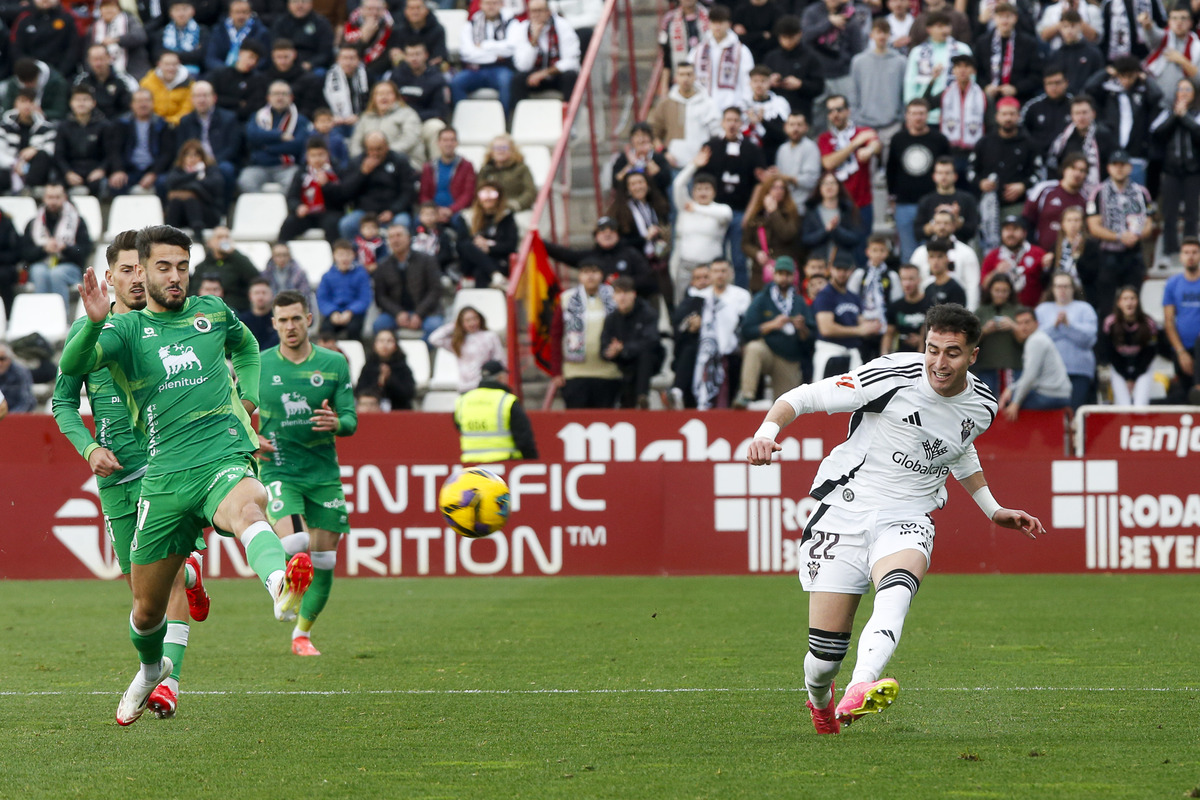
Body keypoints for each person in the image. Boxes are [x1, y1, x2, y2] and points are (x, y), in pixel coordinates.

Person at [746, 303, 1044, 735]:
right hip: (845, 510)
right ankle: (821, 699)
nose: (940, 363)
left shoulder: (983, 404)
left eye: (953, 353)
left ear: (973, 356)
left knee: (896, 590)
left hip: (908, 515)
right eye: (932, 349)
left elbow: (958, 448)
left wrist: (993, 508)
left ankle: (862, 684)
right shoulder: (890, 375)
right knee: (823, 658)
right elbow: (803, 396)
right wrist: (765, 434)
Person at [62, 225, 313, 725]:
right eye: (152, 268)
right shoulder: (121, 331)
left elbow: (246, 347)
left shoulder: (212, 313)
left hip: (219, 457)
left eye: (181, 267)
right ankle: (151, 670)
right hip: (155, 478)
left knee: (248, 506)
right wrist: (90, 327)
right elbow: (72, 370)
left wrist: (249, 400)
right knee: (144, 607)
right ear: (117, 275)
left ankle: (279, 584)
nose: (169, 277)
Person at [51, 232, 211, 717]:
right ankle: (159, 656)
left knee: (172, 581)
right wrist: (89, 446)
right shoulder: (91, 334)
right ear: (111, 277)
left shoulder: (165, 326)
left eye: (142, 270)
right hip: (115, 481)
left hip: (165, 470)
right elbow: (60, 401)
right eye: (127, 271)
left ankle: (170, 683)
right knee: (144, 599)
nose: (138, 280)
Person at [256, 288, 357, 657]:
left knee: (325, 559)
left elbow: (351, 419)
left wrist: (337, 422)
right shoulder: (260, 363)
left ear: (309, 319)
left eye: (296, 318)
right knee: (297, 545)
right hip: (278, 467)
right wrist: (250, 437)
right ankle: (283, 592)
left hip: (323, 473)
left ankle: (302, 634)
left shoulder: (334, 363)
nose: (290, 326)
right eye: (282, 320)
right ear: (274, 324)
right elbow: (231, 409)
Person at [1084, 150, 1155, 316]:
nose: (1119, 169)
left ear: (1130, 167)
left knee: (1134, 300)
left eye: (1123, 165)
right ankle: (1108, 336)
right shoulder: (1098, 192)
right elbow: (1093, 226)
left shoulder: (1141, 192)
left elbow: (1149, 223)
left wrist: (1136, 236)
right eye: (1115, 165)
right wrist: (1119, 236)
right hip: (1108, 254)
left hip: (1134, 253)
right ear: (1108, 168)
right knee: (1107, 303)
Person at [548, 260, 623, 408]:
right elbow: (556, 336)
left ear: (602, 275)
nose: (590, 276)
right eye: (585, 272)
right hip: (575, 374)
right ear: (580, 276)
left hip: (609, 373)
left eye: (594, 271)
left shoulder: (616, 297)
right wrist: (556, 371)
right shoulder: (567, 298)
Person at [735, 255, 808, 406]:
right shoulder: (762, 298)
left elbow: (810, 339)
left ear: (793, 276)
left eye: (787, 274)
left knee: (788, 404)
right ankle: (746, 394)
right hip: (767, 348)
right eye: (780, 274)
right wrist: (772, 325)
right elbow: (747, 330)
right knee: (754, 348)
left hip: (789, 355)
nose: (783, 278)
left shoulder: (799, 301)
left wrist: (802, 329)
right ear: (774, 275)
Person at [969, 97, 1042, 244]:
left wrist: (1023, 186)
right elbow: (971, 171)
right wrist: (981, 183)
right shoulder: (984, 142)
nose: (1008, 118)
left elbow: (1039, 174)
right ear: (997, 117)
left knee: (1016, 242)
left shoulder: (1029, 144)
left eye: (1011, 114)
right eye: (1004, 114)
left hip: (1017, 205)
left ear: (1018, 116)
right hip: (988, 204)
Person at [887, 100, 951, 262]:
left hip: (932, 204)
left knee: (931, 252)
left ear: (927, 115)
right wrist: (892, 198)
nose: (918, 117)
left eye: (921, 113)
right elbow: (891, 170)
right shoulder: (898, 139)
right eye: (914, 113)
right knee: (908, 253)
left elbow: (947, 170)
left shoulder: (939, 139)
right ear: (907, 116)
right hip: (904, 204)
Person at [1084, 57, 1162, 186]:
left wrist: (1145, 78)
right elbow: (1090, 87)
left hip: (1135, 152)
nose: (1126, 81)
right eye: (1122, 76)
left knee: (1136, 190)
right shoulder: (1109, 91)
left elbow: (1157, 95)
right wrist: (1106, 72)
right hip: (1110, 151)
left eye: (1130, 76)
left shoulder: (1142, 92)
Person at [817, 95, 880, 256]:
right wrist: (854, 145)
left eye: (839, 109)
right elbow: (829, 163)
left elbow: (875, 143)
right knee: (837, 254)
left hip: (862, 203)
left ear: (848, 111)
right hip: (837, 206)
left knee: (861, 253)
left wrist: (869, 149)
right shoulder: (825, 138)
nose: (835, 114)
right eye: (831, 111)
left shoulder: (861, 131)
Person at [1150, 78, 1200, 264]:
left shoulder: (1196, 114)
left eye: (1188, 89)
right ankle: (1170, 250)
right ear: (1176, 93)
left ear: (1194, 93)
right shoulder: (1167, 112)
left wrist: (1185, 117)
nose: (1185, 92)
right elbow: (1157, 132)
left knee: (1192, 213)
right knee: (1169, 212)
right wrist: (1175, 116)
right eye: (1181, 89)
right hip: (1171, 171)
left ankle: (1191, 249)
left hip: (1193, 171)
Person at [670, 151, 733, 300]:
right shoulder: (685, 206)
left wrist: (697, 208)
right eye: (698, 189)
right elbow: (678, 184)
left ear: (714, 192)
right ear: (693, 192)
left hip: (711, 266)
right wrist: (693, 165)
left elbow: (726, 215)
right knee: (682, 302)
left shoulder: (720, 209)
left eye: (707, 189)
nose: (702, 192)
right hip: (687, 265)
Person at [22, 183, 92, 312]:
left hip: (69, 266)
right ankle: (41, 317)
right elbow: (24, 252)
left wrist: (65, 248)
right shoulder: (33, 223)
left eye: (57, 197)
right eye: (50, 197)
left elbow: (85, 250)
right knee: (39, 272)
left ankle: (61, 318)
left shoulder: (77, 221)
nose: (53, 201)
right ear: (44, 198)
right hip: (41, 264)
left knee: (57, 274)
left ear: (64, 197)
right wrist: (43, 249)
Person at [693, 258, 752, 408]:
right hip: (703, 349)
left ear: (731, 273)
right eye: (716, 271)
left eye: (723, 271)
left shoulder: (741, 295)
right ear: (710, 274)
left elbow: (745, 325)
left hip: (732, 349)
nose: (720, 275)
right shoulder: (700, 296)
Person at [338, 130, 418, 240]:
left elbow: (408, 191)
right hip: (365, 212)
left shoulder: (400, 161)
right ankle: (357, 255)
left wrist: (393, 211)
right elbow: (345, 193)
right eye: (371, 149)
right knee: (347, 225)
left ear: (387, 147)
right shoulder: (357, 163)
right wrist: (362, 173)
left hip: (394, 211)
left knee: (402, 224)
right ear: (365, 149)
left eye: (379, 149)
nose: (375, 153)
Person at [600, 276, 666, 409]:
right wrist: (611, 351)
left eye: (625, 293)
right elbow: (603, 345)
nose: (622, 297)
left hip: (649, 362)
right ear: (613, 296)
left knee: (645, 355)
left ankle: (642, 396)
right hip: (623, 363)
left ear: (633, 294)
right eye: (618, 293)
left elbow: (652, 340)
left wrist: (624, 348)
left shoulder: (647, 313)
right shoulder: (611, 319)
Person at [455, 359, 538, 462]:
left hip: (471, 464)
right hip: (504, 463)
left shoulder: (464, 400)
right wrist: (532, 461)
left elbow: (458, 425)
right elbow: (524, 437)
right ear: (501, 377)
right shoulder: (507, 401)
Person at [1035, 271, 1098, 409]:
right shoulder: (1041, 310)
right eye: (1058, 286)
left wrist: (1069, 326)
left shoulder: (1085, 309)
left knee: (1075, 410)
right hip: (1049, 372)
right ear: (1053, 288)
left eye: (1066, 286)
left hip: (1078, 371)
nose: (1062, 290)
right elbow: (1036, 340)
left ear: (1073, 288)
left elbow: (1089, 340)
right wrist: (1055, 326)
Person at [812, 253, 878, 381]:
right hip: (830, 351)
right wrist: (859, 330)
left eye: (845, 270)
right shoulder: (825, 295)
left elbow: (860, 323)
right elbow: (826, 329)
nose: (842, 274)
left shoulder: (853, 296)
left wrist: (870, 326)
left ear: (851, 271)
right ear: (831, 269)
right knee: (825, 396)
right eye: (838, 269)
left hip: (852, 352)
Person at [371, 224, 444, 339]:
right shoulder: (383, 265)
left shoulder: (427, 260)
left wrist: (419, 314)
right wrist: (398, 313)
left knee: (435, 328)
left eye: (399, 235)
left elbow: (435, 290)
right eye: (391, 237)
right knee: (379, 325)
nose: (395, 240)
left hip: (427, 312)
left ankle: (420, 355)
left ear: (408, 238)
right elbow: (380, 296)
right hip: (395, 313)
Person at [999, 306, 1073, 417]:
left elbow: (1030, 377)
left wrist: (1015, 403)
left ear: (1036, 323)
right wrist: (1011, 388)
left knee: (1010, 403)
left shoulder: (1036, 341)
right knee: (1015, 394)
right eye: (1019, 323)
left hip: (1051, 395)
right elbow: (1032, 377)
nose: (1023, 327)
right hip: (1058, 394)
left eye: (1027, 322)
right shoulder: (1039, 338)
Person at [175, 81, 241, 204]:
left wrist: (209, 163)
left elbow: (232, 148)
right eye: (197, 96)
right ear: (192, 99)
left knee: (226, 170)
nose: (201, 100)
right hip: (192, 162)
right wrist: (192, 163)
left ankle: (223, 212)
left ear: (214, 98)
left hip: (218, 162)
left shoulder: (228, 118)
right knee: (167, 179)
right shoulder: (185, 121)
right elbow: (182, 148)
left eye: (205, 95)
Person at [239, 81, 311, 193]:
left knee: (294, 182)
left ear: (291, 97)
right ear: (268, 97)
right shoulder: (258, 116)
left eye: (284, 94)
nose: (280, 97)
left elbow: (298, 145)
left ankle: (283, 210)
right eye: (276, 94)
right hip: (259, 167)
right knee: (246, 181)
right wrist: (280, 136)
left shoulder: (299, 120)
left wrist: (266, 147)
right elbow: (252, 136)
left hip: (287, 168)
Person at [646, 62, 722, 169]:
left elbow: (717, 135)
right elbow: (653, 133)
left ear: (695, 76)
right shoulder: (666, 104)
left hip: (701, 166)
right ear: (676, 77)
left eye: (689, 74)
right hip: (673, 165)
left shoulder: (708, 104)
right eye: (681, 74)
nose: (685, 78)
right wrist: (663, 153)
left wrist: (706, 153)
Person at [384, 40, 450, 161]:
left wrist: (413, 117)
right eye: (410, 55)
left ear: (426, 55)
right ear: (405, 56)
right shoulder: (396, 75)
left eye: (417, 54)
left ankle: (435, 169)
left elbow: (440, 111)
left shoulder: (436, 78)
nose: (414, 58)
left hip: (423, 122)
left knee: (437, 126)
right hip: (400, 121)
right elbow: (389, 102)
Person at [902, 12, 971, 127]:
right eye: (939, 26)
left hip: (956, 112)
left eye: (947, 25)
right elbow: (910, 82)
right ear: (929, 29)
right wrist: (912, 108)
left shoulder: (962, 49)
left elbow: (971, 78)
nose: (944, 30)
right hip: (926, 115)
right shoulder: (918, 52)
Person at [850, 19, 907, 156]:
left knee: (890, 165)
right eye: (878, 32)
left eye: (885, 33)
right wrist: (856, 117)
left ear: (890, 35)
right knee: (866, 165)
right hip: (865, 122)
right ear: (871, 35)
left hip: (892, 123)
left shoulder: (901, 62)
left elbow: (904, 92)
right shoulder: (859, 61)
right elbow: (854, 92)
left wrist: (900, 117)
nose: (882, 36)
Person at [509, 0, 581, 106]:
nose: (536, 15)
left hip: (556, 75)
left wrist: (544, 73)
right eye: (533, 11)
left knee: (570, 76)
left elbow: (571, 61)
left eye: (540, 11)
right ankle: (521, 116)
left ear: (548, 11)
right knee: (517, 79)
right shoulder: (522, 29)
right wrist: (534, 40)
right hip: (534, 77)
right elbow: (522, 66)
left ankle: (569, 116)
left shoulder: (562, 25)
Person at [1100, 286, 1162, 406]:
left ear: (1138, 301)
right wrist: (1126, 376)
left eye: (1132, 298)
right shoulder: (1110, 323)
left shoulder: (1148, 323)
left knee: (1141, 404)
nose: (1129, 302)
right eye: (1125, 299)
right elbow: (1109, 352)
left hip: (1142, 368)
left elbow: (1150, 352)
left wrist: (1134, 376)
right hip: (1119, 368)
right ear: (1119, 302)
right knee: (1123, 405)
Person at [452, 0, 517, 113]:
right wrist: (495, 56)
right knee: (456, 82)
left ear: (501, 4)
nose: (491, 6)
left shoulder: (511, 22)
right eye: (487, 3)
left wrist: (483, 46)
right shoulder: (470, 24)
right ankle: (464, 118)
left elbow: (510, 48)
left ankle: (503, 120)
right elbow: (467, 53)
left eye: (494, 3)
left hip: (501, 68)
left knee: (506, 81)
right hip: (475, 69)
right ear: (481, 5)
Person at [972, 3, 1044, 105]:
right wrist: (985, 87)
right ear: (994, 18)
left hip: (1020, 99)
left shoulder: (1028, 43)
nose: (1004, 21)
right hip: (988, 100)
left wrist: (1016, 89)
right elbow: (976, 71)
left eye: (1008, 16)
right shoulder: (983, 42)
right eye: (1001, 16)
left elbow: (1036, 75)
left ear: (1015, 18)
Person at [688, 4, 755, 114]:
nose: (717, 27)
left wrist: (744, 105)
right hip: (703, 108)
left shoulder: (741, 51)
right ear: (709, 24)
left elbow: (747, 80)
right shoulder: (697, 51)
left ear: (729, 24)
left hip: (732, 108)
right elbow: (689, 76)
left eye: (721, 23)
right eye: (714, 22)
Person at [740, 175, 803, 292]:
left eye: (782, 188)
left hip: (784, 271)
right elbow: (745, 244)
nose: (778, 191)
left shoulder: (791, 213)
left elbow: (787, 235)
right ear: (766, 191)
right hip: (761, 273)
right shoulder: (756, 215)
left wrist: (774, 212)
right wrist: (756, 253)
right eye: (774, 187)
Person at [846, 236, 902, 361]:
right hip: (863, 324)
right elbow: (851, 299)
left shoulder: (891, 276)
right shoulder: (860, 274)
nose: (878, 254)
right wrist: (860, 320)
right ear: (868, 252)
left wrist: (888, 324)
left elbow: (896, 302)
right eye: (875, 250)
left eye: (882, 250)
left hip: (883, 326)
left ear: (887, 253)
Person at [279, 136, 343, 244]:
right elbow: (291, 197)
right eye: (313, 155)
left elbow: (343, 196)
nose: (317, 159)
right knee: (289, 224)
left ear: (327, 154)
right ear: (307, 156)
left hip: (329, 212)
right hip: (307, 214)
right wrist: (298, 207)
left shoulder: (337, 170)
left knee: (333, 224)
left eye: (320, 155)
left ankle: (335, 257)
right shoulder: (301, 172)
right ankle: (280, 255)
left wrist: (326, 186)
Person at [1047, 96, 1117, 194]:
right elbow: (1053, 165)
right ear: (1071, 116)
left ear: (1093, 114)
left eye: (1084, 112)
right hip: (1068, 192)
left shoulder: (1105, 136)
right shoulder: (1063, 139)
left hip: (1099, 192)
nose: (1081, 117)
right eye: (1077, 113)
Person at [761, 15, 824, 123]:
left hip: (801, 112)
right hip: (774, 115)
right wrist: (769, 82)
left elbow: (819, 87)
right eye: (783, 37)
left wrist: (800, 85)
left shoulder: (810, 57)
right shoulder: (771, 57)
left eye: (791, 37)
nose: (787, 41)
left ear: (799, 34)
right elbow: (758, 82)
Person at [431, 305, 507, 393]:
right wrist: (454, 325)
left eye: (475, 319)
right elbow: (434, 339)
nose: (472, 323)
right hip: (464, 387)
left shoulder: (490, 336)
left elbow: (500, 359)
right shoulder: (457, 341)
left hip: (484, 386)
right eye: (468, 320)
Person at [1023, 153, 1089, 250]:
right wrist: (1034, 250)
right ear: (1064, 169)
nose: (1077, 174)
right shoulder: (1045, 189)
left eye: (1082, 171)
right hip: (1041, 253)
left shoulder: (1085, 199)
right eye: (1073, 168)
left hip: (1070, 257)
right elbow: (1026, 220)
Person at [981, 216, 1049, 309]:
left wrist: (1040, 307)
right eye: (1007, 229)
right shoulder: (992, 256)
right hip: (1004, 312)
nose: (1010, 234)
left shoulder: (1038, 253)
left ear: (1024, 233)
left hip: (1032, 312)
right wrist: (996, 272)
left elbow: (1049, 285)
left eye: (1015, 229)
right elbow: (984, 286)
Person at [163, 139, 225, 240]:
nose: (192, 158)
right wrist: (194, 177)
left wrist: (189, 192)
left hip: (207, 215)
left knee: (191, 201)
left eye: (196, 155)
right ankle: (169, 236)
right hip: (183, 214)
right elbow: (170, 183)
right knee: (175, 202)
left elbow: (214, 187)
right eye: (188, 155)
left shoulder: (211, 170)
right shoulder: (178, 170)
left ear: (202, 157)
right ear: (182, 157)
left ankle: (198, 237)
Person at [669, 263, 711, 409]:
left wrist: (703, 323)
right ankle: (678, 393)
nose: (702, 281)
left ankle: (677, 390)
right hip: (691, 351)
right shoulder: (686, 303)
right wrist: (690, 325)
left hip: (716, 350)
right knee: (689, 350)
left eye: (706, 277)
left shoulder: (722, 298)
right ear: (692, 281)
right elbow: (677, 328)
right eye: (698, 278)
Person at [0, 88, 57, 195]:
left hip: (34, 171)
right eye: (23, 101)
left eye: (30, 102)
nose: (27, 105)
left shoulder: (46, 128)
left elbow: (52, 148)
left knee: (43, 155)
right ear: (16, 103)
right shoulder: (4, 127)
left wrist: (35, 149)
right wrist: (14, 164)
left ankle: (28, 189)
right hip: (10, 169)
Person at [1163, 237, 1200, 401]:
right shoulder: (1173, 283)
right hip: (1182, 348)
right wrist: (1180, 351)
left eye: (1194, 252)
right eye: (1186, 252)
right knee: (1187, 397)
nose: (1190, 256)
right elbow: (1169, 320)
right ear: (1180, 256)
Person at [973, 271, 1022, 394]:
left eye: (1004, 291)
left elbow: (1027, 340)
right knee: (988, 403)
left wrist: (1013, 326)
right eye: (997, 290)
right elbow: (970, 341)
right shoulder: (980, 311)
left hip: (1012, 366)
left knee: (1010, 406)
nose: (1000, 294)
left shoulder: (1018, 310)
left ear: (1010, 292)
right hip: (986, 366)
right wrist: (984, 330)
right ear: (990, 291)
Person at [914, 156, 979, 250]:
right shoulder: (926, 200)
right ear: (934, 176)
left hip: (960, 250)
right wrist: (938, 223)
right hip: (933, 250)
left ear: (955, 176)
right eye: (940, 173)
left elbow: (973, 230)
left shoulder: (967, 199)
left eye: (947, 173)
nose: (943, 177)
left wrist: (956, 221)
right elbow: (918, 232)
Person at [1141, 3, 1200, 101]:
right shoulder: (1163, 38)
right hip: (1156, 102)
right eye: (1174, 18)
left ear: (1191, 22)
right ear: (1168, 21)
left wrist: (1183, 61)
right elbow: (1152, 34)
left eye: (1183, 18)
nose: (1179, 22)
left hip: (1185, 105)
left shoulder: (1197, 46)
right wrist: (1148, 25)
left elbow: (1198, 81)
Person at [192, 227, 259, 312]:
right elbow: (193, 293)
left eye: (227, 237)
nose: (224, 240)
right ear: (210, 242)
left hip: (236, 311)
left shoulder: (239, 261)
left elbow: (255, 277)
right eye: (219, 237)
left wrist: (234, 252)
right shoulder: (202, 267)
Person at [801, 171, 862, 264]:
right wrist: (826, 230)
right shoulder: (811, 211)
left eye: (832, 183)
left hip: (842, 265)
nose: (829, 187)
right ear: (820, 188)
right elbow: (806, 239)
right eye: (825, 183)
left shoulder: (848, 210)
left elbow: (855, 238)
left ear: (839, 187)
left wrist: (836, 229)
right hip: (818, 264)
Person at [317, 239, 373, 340]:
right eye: (341, 254)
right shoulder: (327, 276)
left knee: (354, 329)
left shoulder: (361, 275)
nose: (344, 258)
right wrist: (332, 312)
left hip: (354, 314)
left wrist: (350, 311)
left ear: (353, 255)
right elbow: (323, 299)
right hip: (334, 313)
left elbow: (364, 298)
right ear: (334, 256)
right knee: (325, 330)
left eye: (348, 254)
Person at [419, 127, 477, 224]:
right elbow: (424, 194)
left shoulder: (467, 166)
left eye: (452, 140)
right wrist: (434, 211)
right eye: (445, 140)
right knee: (418, 221)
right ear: (438, 143)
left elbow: (468, 194)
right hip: (432, 212)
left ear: (457, 143)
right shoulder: (429, 167)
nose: (448, 144)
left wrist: (451, 210)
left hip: (457, 212)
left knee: (459, 222)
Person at [210, 39, 270, 122]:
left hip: (244, 122)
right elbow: (213, 99)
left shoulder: (259, 80)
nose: (252, 62)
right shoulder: (220, 74)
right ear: (240, 53)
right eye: (251, 56)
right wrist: (237, 102)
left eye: (256, 60)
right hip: (218, 120)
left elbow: (254, 106)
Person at [204, 0, 271, 75]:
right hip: (222, 74)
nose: (241, 16)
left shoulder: (260, 32)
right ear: (230, 13)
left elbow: (264, 60)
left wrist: (246, 68)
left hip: (250, 75)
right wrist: (228, 71)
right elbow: (211, 58)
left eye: (245, 12)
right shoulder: (218, 30)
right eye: (237, 12)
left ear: (250, 13)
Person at [1044, 10, 1105, 93]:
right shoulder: (1055, 55)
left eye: (1073, 26)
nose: (1069, 30)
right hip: (1063, 101)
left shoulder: (1093, 53)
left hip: (1087, 100)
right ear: (1060, 28)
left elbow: (1099, 80)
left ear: (1080, 26)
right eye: (1065, 26)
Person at [658, 0, 711, 92]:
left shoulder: (710, 16)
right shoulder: (669, 19)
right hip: (681, 79)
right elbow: (666, 56)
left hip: (707, 80)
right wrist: (664, 86)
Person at [91, 0, 150, 82]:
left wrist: (117, 40)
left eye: (111, 7)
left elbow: (140, 36)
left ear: (119, 8)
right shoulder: (94, 28)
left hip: (132, 70)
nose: (108, 10)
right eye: (105, 7)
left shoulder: (129, 20)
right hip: (105, 73)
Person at [611, 122, 673, 200]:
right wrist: (631, 164)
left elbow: (665, 181)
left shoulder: (658, 157)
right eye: (637, 136)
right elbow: (616, 182)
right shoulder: (624, 158)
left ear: (650, 139)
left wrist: (647, 159)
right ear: (632, 139)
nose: (641, 140)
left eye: (644, 136)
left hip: (655, 202)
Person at [882, 263, 934, 355]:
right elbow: (889, 334)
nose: (907, 283)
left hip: (925, 355)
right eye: (903, 279)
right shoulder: (895, 306)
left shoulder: (931, 305)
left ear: (919, 280)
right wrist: (884, 357)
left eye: (911, 279)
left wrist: (923, 340)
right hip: (901, 357)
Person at [477, 134, 536, 213]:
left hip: (517, 210)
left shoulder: (521, 168)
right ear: (491, 151)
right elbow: (478, 190)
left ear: (512, 150)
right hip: (489, 210)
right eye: (496, 148)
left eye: (504, 147)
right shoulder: (486, 170)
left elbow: (530, 192)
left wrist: (516, 204)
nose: (500, 150)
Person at [1022, 68, 1074, 158]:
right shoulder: (1033, 106)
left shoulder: (1074, 105)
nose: (1053, 87)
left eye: (1057, 83)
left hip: (1068, 157)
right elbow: (1022, 131)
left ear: (1066, 83)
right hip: (1038, 156)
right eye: (1049, 83)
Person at [271, 0, 335, 73]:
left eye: (304, 2)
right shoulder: (280, 23)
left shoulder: (322, 23)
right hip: (286, 63)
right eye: (295, 2)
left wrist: (310, 64)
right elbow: (275, 46)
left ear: (311, 4)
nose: (299, 6)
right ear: (288, 4)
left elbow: (325, 52)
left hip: (313, 65)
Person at [774, 112, 822, 208]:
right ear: (785, 127)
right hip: (784, 204)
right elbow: (779, 177)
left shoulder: (811, 148)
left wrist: (787, 178)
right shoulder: (782, 149)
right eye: (791, 125)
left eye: (799, 125)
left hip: (804, 206)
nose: (795, 129)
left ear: (806, 127)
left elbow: (811, 181)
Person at [74, 45, 134, 121]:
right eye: (95, 60)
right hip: (90, 125)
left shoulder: (122, 80)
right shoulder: (82, 81)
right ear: (89, 61)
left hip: (116, 126)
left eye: (101, 59)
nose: (98, 64)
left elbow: (129, 108)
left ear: (109, 58)